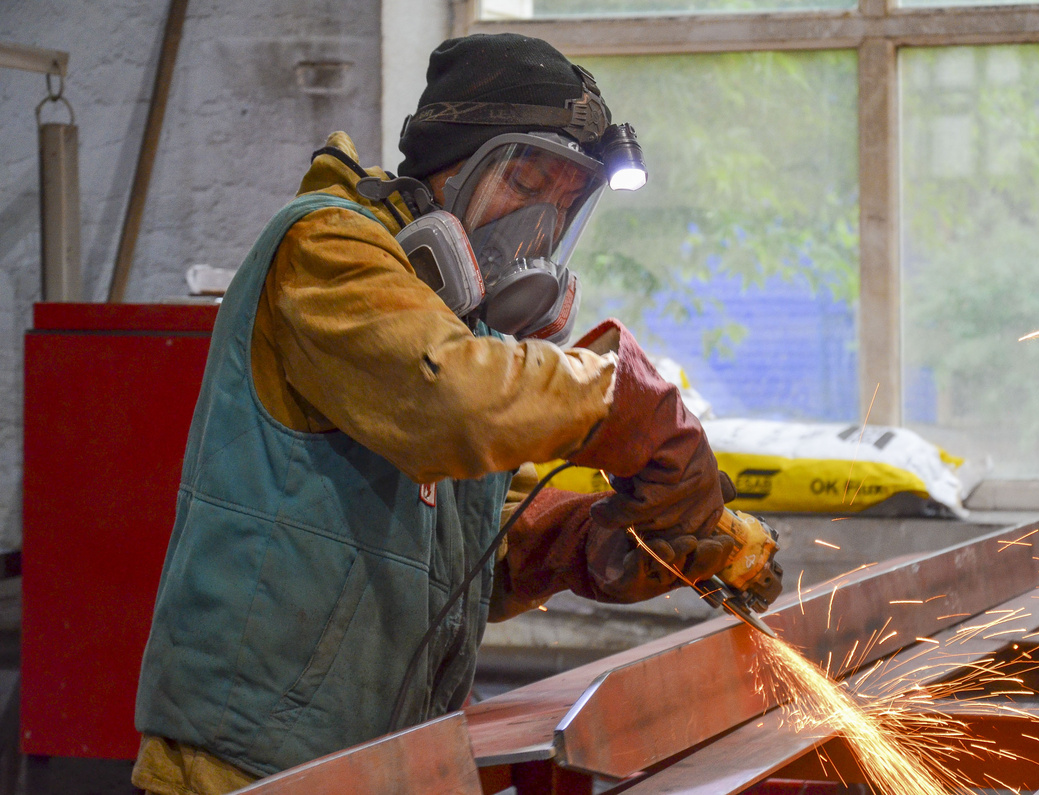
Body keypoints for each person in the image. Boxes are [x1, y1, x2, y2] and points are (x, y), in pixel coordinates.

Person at [131, 32, 735, 795]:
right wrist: (620, 397)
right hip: (242, 772)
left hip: (375, 770)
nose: (536, 231)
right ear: (451, 165)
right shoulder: (326, 249)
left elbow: (466, 553)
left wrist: (594, 543)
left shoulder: (460, 330)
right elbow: (450, 401)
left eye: (563, 203)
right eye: (523, 183)